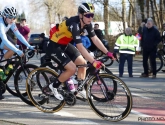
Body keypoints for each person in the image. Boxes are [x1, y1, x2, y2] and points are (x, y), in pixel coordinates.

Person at [46, 3, 115, 100]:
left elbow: (95, 39)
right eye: (88, 15)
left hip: (65, 44)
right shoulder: (74, 25)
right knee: (72, 69)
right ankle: (53, 86)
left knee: (82, 63)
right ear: (81, 15)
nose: (90, 18)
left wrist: (107, 52)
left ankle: (80, 88)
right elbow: (80, 46)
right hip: (54, 46)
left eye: (92, 15)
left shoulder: (87, 24)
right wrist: (93, 61)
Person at [0, 6, 35, 99]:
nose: (12, 20)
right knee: (13, 48)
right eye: (10, 17)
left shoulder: (10, 22)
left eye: (14, 18)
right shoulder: (1, 24)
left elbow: (18, 35)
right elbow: (4, 40)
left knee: (14, 47)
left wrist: (29, 46)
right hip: (1, 38)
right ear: (5, 16)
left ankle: (3, 65)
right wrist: (17, 51)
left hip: (3, 38)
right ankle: (2, 66)